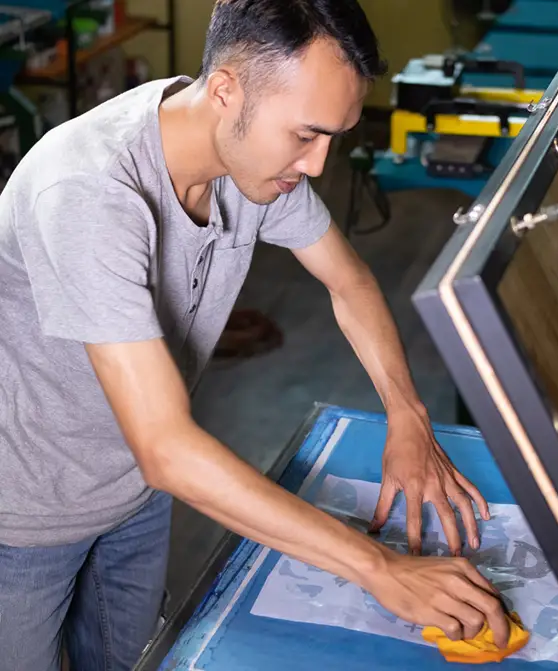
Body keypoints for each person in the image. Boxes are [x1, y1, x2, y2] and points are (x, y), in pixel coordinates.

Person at [0, 1, 509, 669]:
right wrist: (379, 567)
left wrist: (408, 416)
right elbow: (167, 447)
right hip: (25, 515)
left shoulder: (249, 157)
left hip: (135, 496)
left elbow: (348, 281)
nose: (319, 164)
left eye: (333, 137)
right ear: (225, 91)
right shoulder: (90, 193)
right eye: (305, 135)